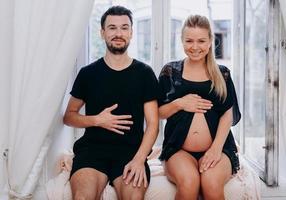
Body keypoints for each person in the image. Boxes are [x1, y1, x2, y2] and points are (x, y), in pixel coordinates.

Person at [63, 6, 159, 200]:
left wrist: (140, 159)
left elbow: (153, 125)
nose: (118, 33)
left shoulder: (144, 74)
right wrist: (97, 120)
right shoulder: (88, 74)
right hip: (92, 152)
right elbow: (69, 116)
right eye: (112, 28)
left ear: (131, 33)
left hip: (131, 153)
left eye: (124, 28)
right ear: (102, 33)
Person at [158, 15, 241, 200]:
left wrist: (215, 149)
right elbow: (157, 113)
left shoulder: (222, 73)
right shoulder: (170, 71)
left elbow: (228, 114)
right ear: (182, 41)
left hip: (218, 147)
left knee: (211, 183)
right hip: (179, 150)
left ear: (211, 41)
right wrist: (180, 103)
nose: (195, 47)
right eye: (189, 41)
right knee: (189, 183)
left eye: (201, 41)